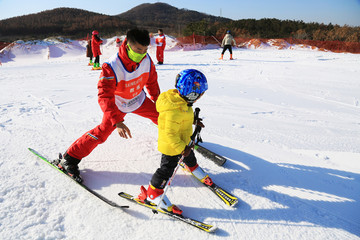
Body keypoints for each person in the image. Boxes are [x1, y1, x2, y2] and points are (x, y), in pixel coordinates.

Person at [57, 29, 160, 182]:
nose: (142, 53)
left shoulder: (146, 60)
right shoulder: (111, 66)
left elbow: (152, 83)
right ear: (128, 45)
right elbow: (105, 96)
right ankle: (70, 158)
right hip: (118, 105)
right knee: (102, 133)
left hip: (138, 99)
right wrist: (116, 120)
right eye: (139, 50)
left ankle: (176, 145)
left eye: (145, 50)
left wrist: (161, 104)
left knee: (164, 118)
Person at [137, 69, 212, 214]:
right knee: (166, 170)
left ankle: (192, 166)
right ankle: (153, 193)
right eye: (200, 94)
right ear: (192, 94)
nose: (200, 97)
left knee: (190, 156)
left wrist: (194, 120)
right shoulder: (173, 110)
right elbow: (169, 133)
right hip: (171, 146)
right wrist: (181, 148)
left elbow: (183, 117)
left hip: (184, 141)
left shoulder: (182, 102)